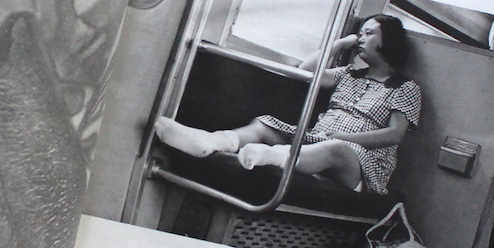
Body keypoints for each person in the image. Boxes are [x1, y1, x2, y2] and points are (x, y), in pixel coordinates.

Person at [154, 14, 422, 194]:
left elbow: (394, 134)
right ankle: (210, 142)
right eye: (359, 34)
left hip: (361, 165)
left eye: (368, 33)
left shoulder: (405, 87)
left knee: (336, 149)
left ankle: (271, 156)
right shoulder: (349, 74)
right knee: (264, 124)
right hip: (317, 139)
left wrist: (345, 138)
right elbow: (305, 73)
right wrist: (338, 45)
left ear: (387, 40)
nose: (360, 38)